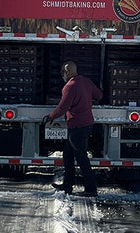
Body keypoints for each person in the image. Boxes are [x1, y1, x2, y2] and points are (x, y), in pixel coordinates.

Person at [43, 60, 103, 196]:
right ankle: (67, 185)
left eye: (62, 72)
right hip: (86, 124)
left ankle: (91, 189)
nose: (62, 75)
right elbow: (99, 95)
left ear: (67, 71)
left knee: (81, 158)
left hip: (77, 126)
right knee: (68, 154)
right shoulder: (87, 82)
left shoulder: (70, 86)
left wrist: (50, 117)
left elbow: (63, 107)